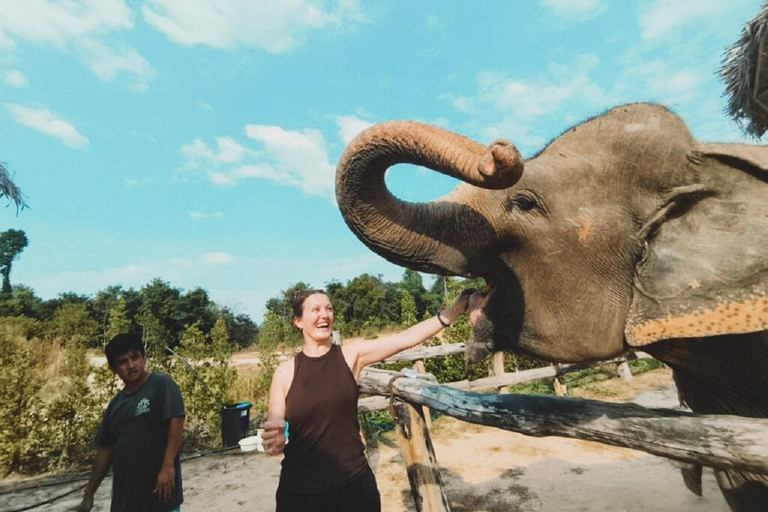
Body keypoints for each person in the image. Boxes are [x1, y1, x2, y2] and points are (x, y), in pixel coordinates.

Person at [262, 288, 475, 512]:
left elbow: (405, 339)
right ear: (299, 321)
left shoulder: (351, 356)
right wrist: (274, 443)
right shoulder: (284, 373)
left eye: (329, 309)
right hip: (300, 494)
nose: (324, 315)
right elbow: (275, 435)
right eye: (315, 309)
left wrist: (454, 311)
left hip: (353, 487)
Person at [76, 333, 186, 512]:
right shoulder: (115, 405)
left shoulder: (161, 384)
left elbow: (177, 419)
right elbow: (105, 449)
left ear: (144, 358)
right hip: (126, 499)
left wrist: (167, 466)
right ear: (114, 369)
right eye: (123, 361)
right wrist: (89, 493)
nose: (131, 365)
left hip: (160, 494)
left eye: (135, 357)